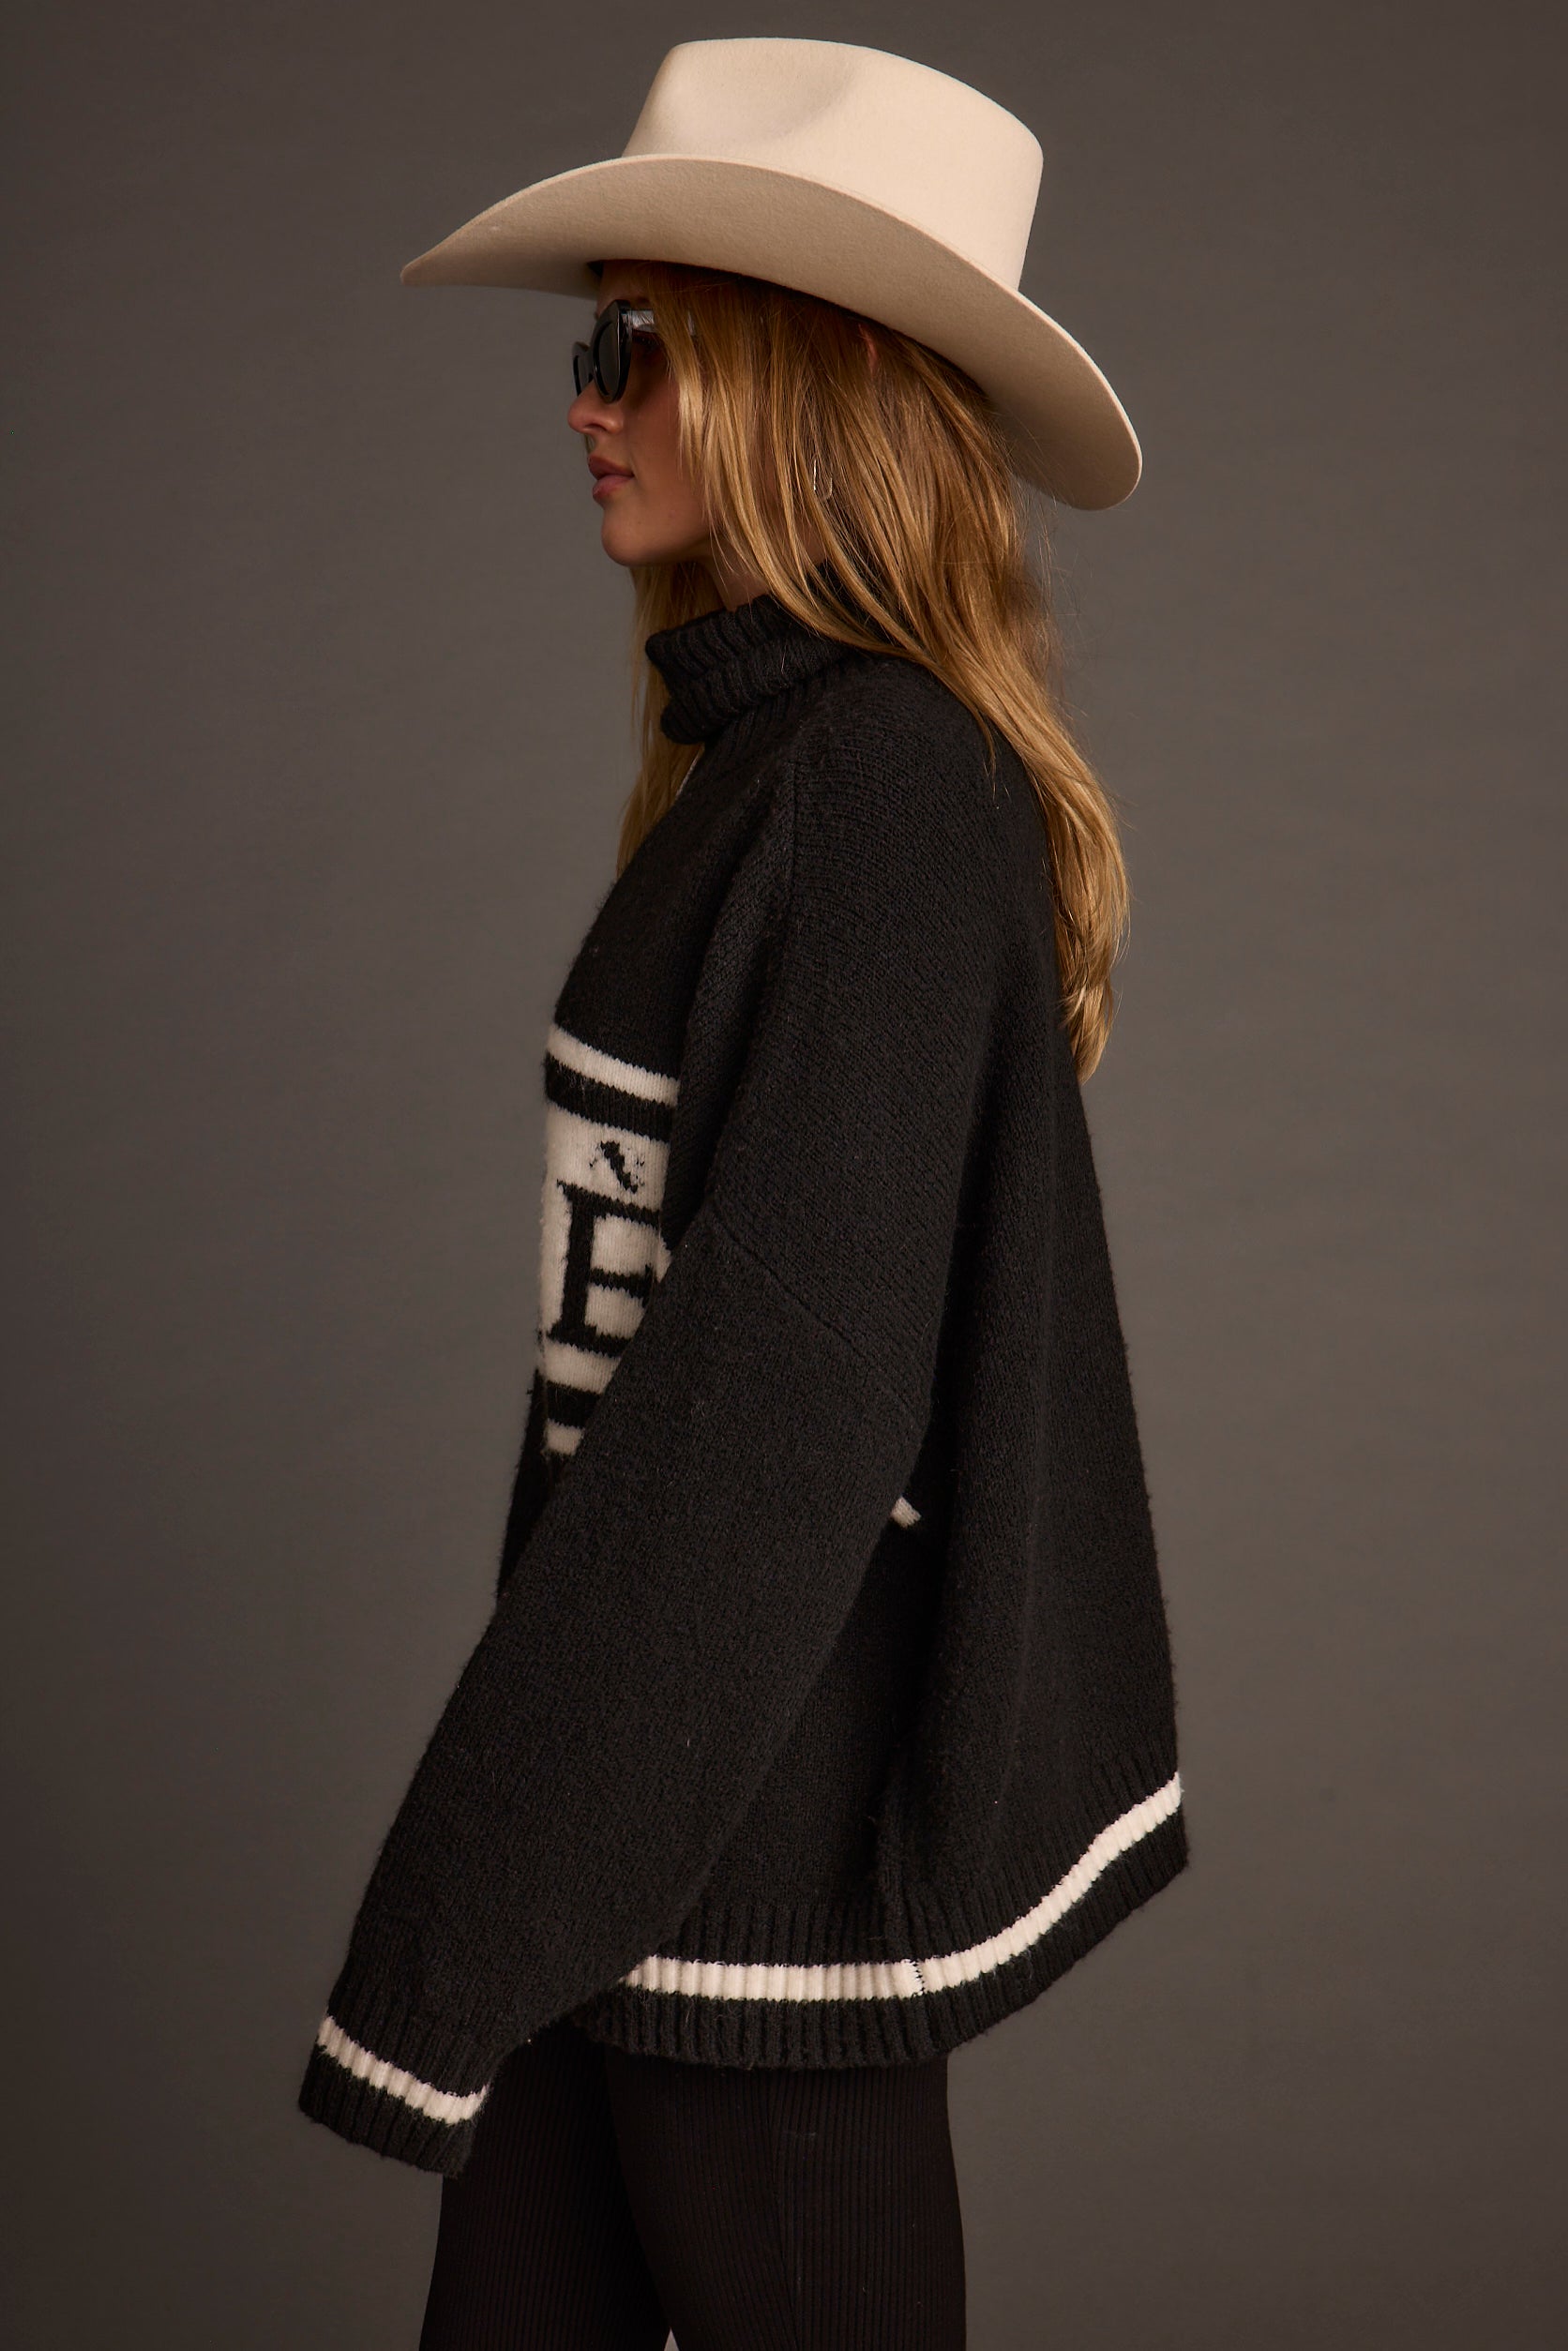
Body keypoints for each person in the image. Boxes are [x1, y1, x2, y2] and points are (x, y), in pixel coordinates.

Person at [297, 37, 1189, 2349]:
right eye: (589, 348)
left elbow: (753, 1452)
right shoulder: (766, 773)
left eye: (638, 347)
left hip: (735, 1909)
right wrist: (527, 1889)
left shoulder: (870, 797)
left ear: (817, 381)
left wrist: (452, 1919)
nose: (583, 404)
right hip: (631, 1865)